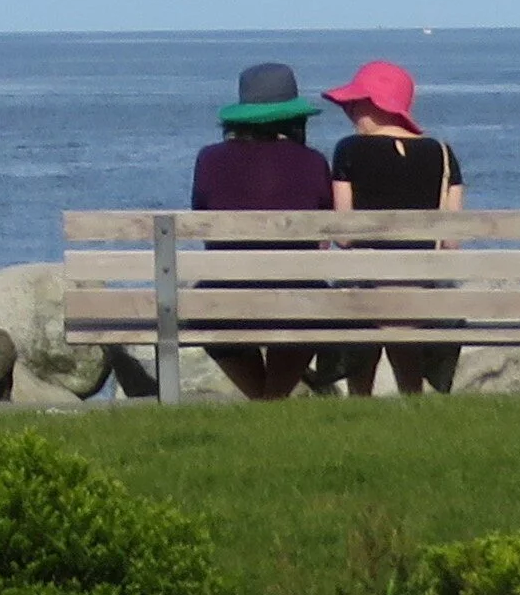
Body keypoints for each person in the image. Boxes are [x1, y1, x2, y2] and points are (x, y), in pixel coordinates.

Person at [320, 60, 464, 397]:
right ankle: (413, 399)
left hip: (368, 293)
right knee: (404, 301)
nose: (350, 113)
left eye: (354, 104)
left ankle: (360, 402)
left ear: (377, 105)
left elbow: (344, 235)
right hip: (421, 292)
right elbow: (451, 242)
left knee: (367, 297)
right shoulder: (443, 153)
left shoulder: (348, 150)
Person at [190, 62, 333, 400]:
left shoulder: (209, 159)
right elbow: (325, 231)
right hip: (299, 302)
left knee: (206, 302)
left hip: (224, 302)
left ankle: (266, 401)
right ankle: (272, 400)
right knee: (308, 298)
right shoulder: (312, 161)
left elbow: (201, 218)